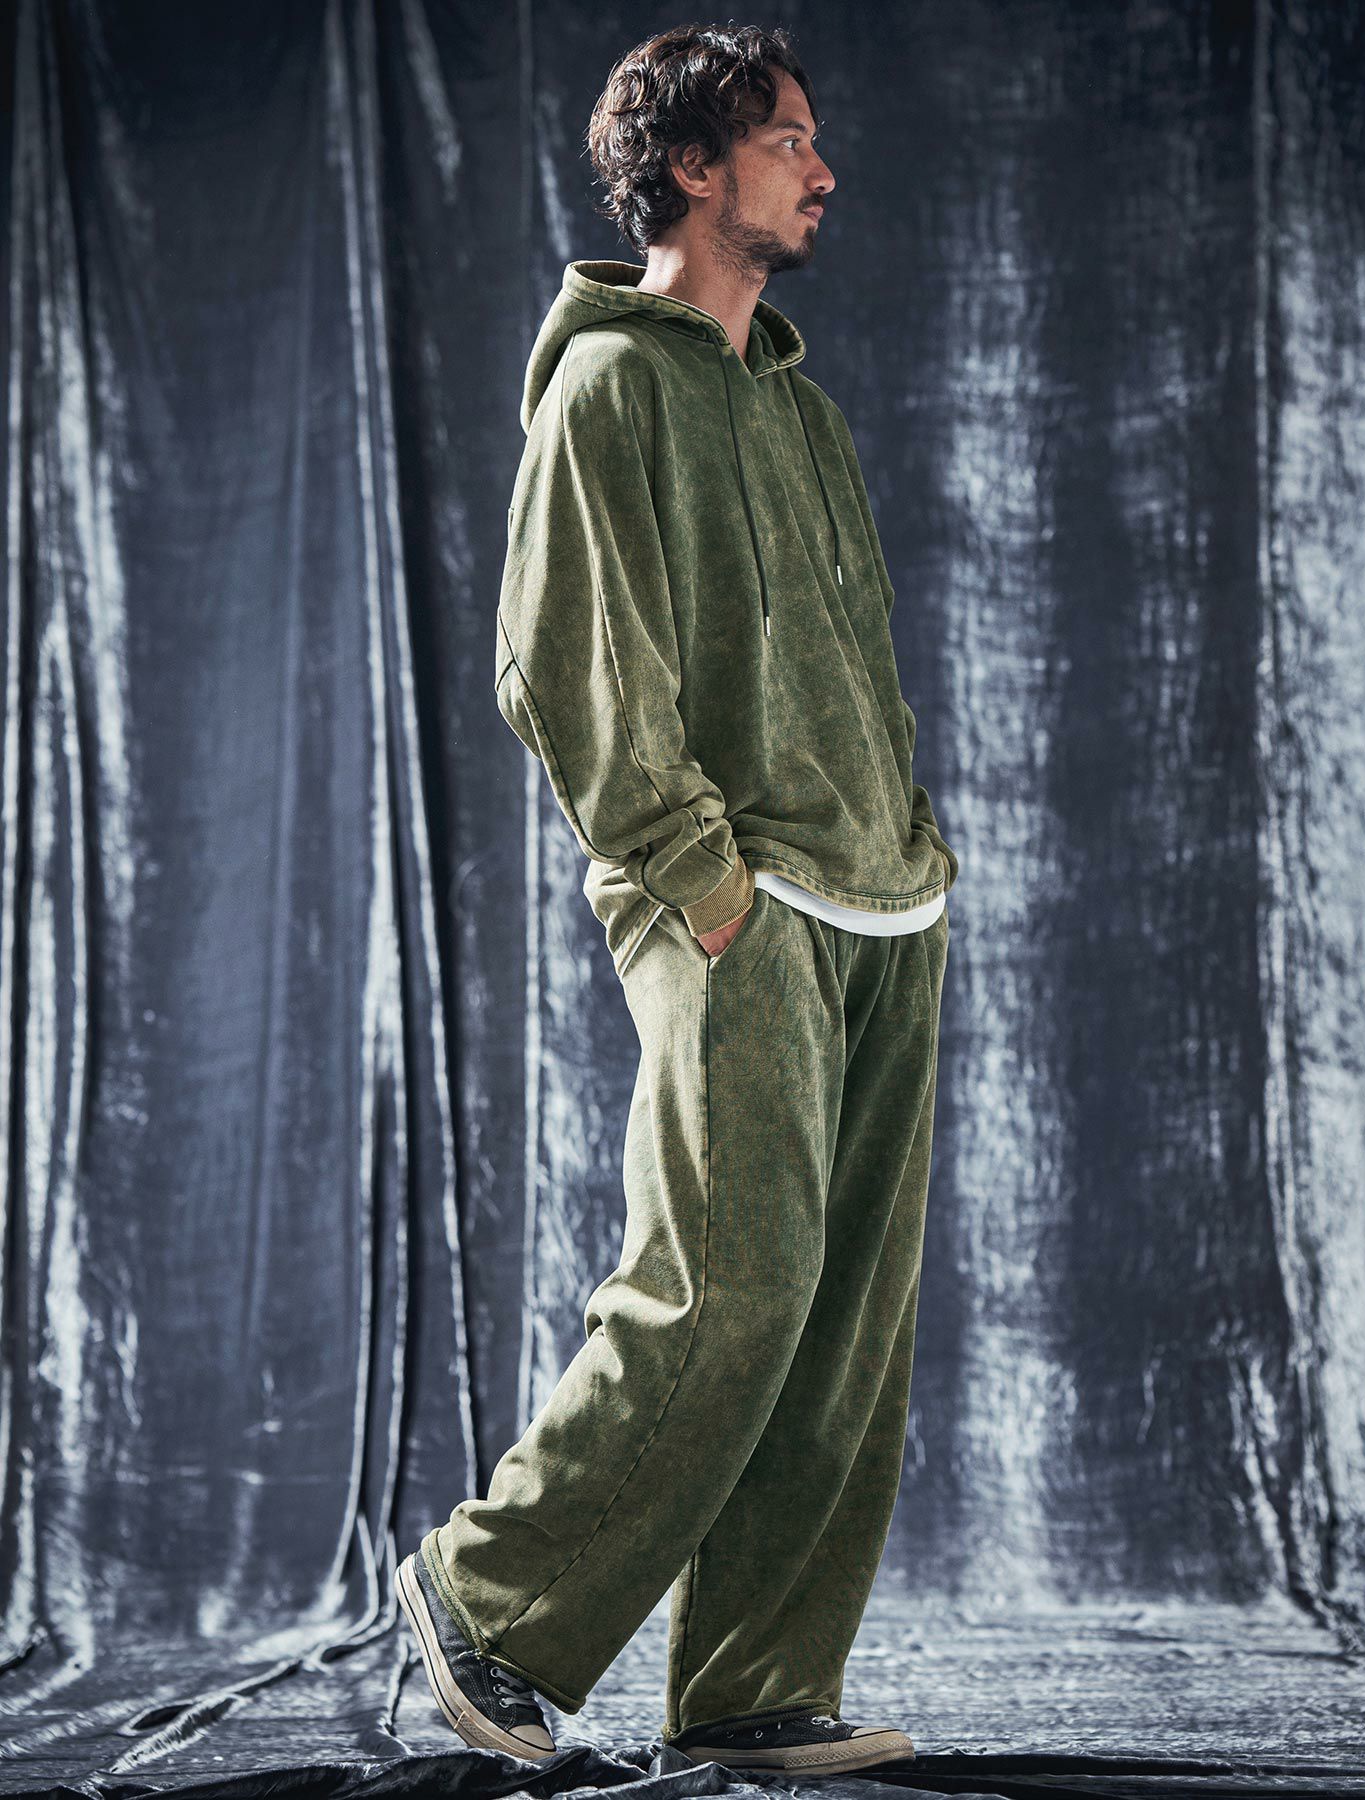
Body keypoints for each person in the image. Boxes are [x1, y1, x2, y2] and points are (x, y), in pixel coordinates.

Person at [397, 21, 957, 1776]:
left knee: (841, 1335)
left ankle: (754, 1689)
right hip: (738, 906)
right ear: (693, 166)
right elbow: (564, 663)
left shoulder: (801, 411)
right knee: (730, 1290)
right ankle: (488, 1599)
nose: (823, 170)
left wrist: (915, 855)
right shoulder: (606, 391)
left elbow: (859, 663)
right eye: (788, 140)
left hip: (884, 912)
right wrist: (706, 881)